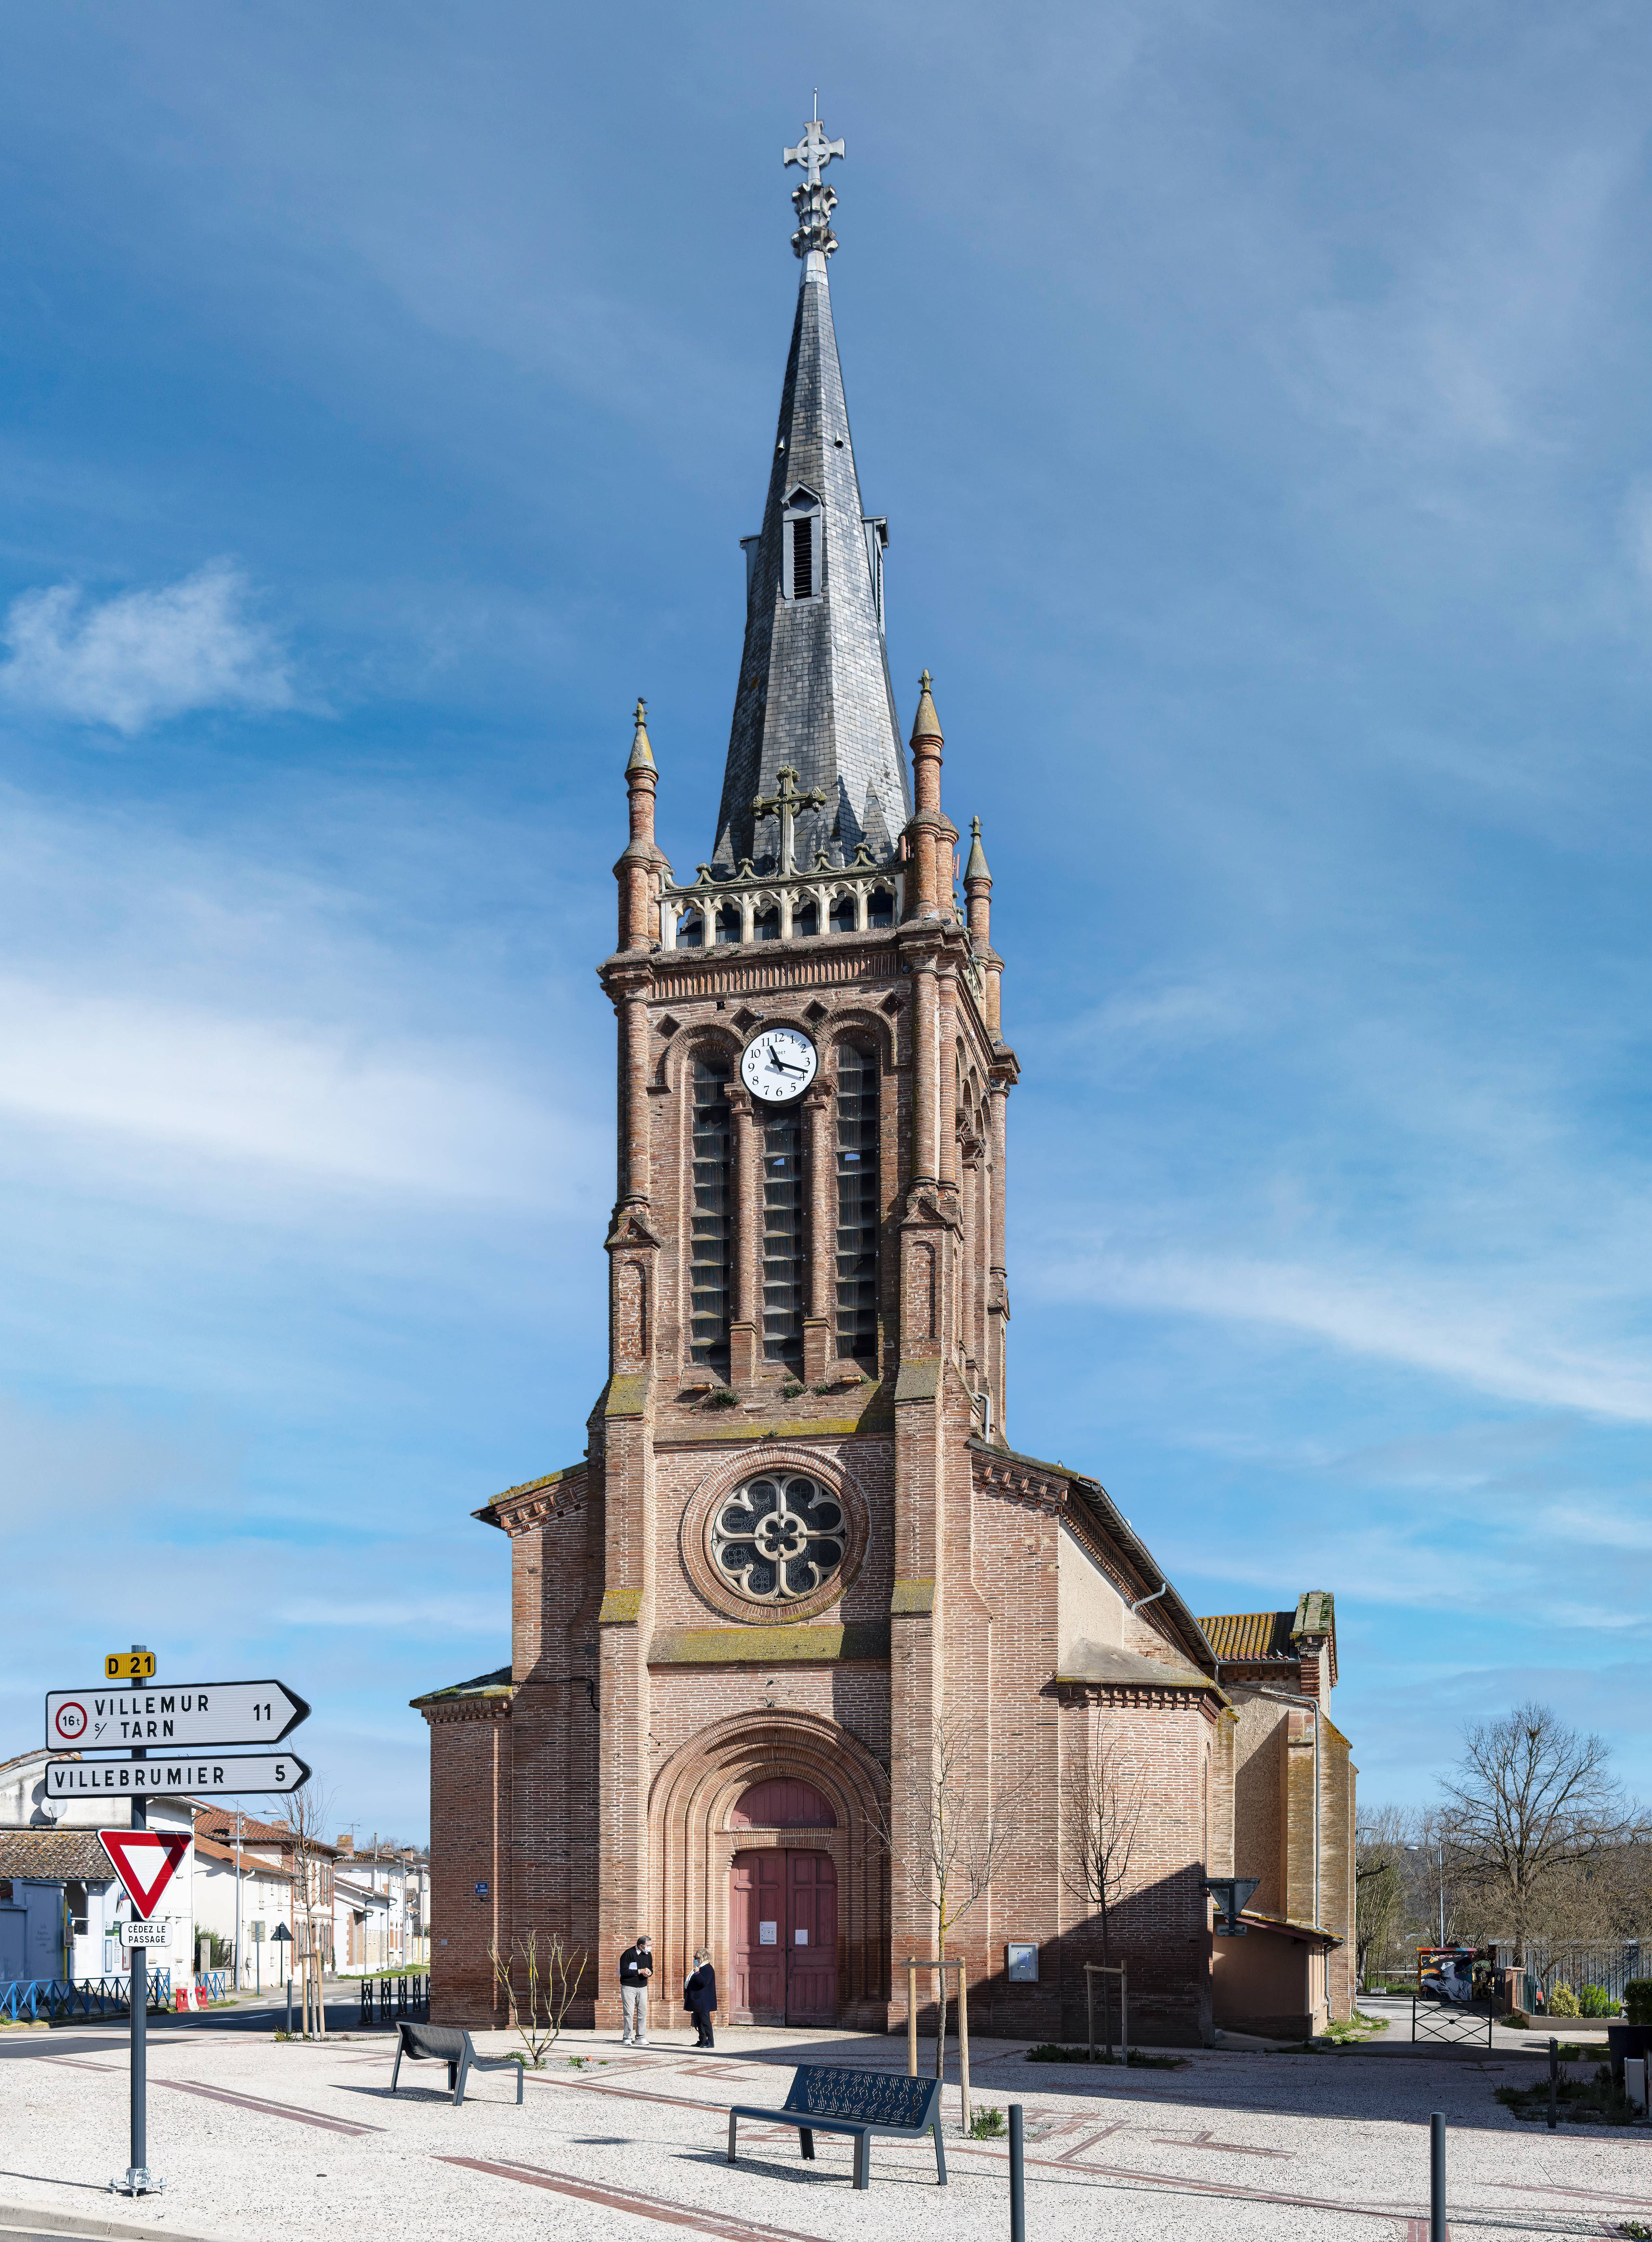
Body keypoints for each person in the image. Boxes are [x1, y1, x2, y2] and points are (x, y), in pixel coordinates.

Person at [618, 1933, 653, 2045]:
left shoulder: (648, 1954)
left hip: (643, 1987)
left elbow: (651, 1968)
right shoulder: (628, 1954)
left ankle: (640, 2038)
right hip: (629, 1987)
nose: (650, 1948)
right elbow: (624, 1971)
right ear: (641, 1945)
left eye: (651, 1945)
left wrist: (649, 1973)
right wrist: (640, 1971)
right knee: (629, 2013)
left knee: (643, 2013)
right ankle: (627, 2038)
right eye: (648, 1946)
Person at [683, 1948, 717, 2049]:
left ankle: (710, 2042)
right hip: (697, 2000)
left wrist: (697, 1973)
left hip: (704, 2001)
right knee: (699, 2022)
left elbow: (704, 1983)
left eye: (697, 1958)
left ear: (704, 1958)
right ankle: (702, 2040)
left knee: (706, 2022)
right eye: (694, 1957)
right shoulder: (699, 1968)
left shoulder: (708, 1969)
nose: (695, 1959)